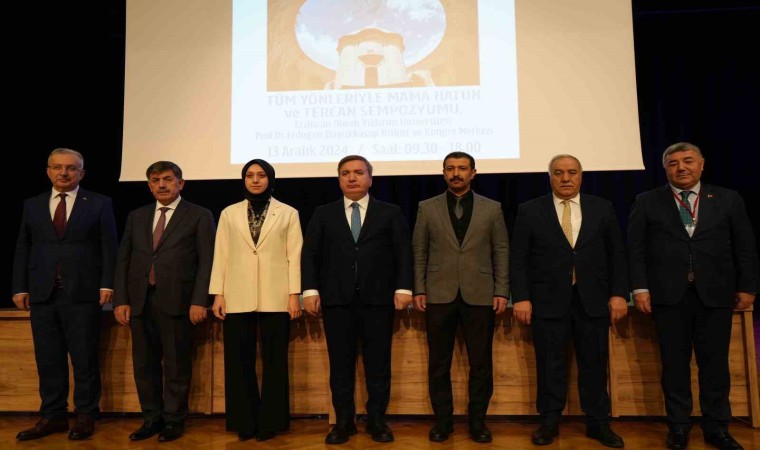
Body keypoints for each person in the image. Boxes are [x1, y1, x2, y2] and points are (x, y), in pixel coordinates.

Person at [628, 142, 758, 450]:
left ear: (702, 164)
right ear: (665, 169)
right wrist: (640, 288)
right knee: (675, 365)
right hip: (668, 297)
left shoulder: (728, 199)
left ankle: (717, 427)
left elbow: (745, 246)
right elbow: (635, 249)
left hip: (715, 294)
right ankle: (678, 426)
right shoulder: (647, 201)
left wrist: (748, 287)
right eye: (673, 163)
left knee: (715, 366)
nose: (681, 168)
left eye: (688, 161)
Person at [510, 154, 628, 448]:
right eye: (559, 172)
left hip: (593, 301)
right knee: (550, 365)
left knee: (594, 365)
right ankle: (549, 422)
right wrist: (521, 298)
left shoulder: (602, 208)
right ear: (549, 177)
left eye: (572, 172)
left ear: (581, 176)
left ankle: (598, 423)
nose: (565, 178)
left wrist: (618, 293)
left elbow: (617, 254)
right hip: (547, 301)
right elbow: (519, 259)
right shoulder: (530, 210)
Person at [301, 155, 413, 445]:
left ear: (370, 179)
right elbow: (310, 254)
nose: (352, 178)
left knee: (378, 365)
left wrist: (404, 288)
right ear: (339, 179)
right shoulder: (323, 214)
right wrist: (310, 291)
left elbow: (403, 253)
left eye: (358, 172)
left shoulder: (390, 212)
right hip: (337, 301)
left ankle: (377, 422)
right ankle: (343, 423)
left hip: (378, 301)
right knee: (340, 366)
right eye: (345, 173)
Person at [12, 148, 118, 441]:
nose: (63, 172)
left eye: (71, 168)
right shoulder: (33, 204)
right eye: (57, 167)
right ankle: (53, 415)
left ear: (81, 173)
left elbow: (109, 246)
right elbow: (23, 247)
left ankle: (86, 415)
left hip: (83, 293)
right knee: (48, 359)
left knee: (84, 358)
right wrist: (20, 286)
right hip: (42, 293)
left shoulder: (99, 203)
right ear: (48, 171)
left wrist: (107, 284)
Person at [113, 161, 216, 442]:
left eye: (168, 179)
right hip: (140, 301)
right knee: (144, 365)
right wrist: (121, 300)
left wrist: (200, 300)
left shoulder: (199, 215)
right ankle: (151, 419)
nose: (162, 185)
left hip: (178, 301)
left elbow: (207, 261)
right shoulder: (137, 216)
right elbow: (124, 260)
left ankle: (173, 420)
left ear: (181, 183)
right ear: (149, 186)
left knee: (176, 365)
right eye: (156, 180)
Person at [411, 151, 509, 443]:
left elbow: (501, 250)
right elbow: (419, 250)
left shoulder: (492, 208)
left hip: (480, 294)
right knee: (438, 364)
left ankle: (478, 422)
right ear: (443, 173)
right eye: (450, 168)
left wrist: (501, 289)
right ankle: (443, 422)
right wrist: (419, 287)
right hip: (438, 293)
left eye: (462, 168)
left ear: (473, 173)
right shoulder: (426, 207)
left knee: (481, 364)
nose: (456, 173)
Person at [209, 159, 303, 442]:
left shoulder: (288, 213)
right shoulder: (229, 213)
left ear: (270, 179)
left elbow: (294, 255)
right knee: (239, 362)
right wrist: (218, 293)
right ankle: (244, 421)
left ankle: (271, 422)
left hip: (277, 295)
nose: (255, 180)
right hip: (237, 294)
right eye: (249, 175)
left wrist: (294, 294)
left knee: (275, 362)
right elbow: (221, 254)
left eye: (261, 175)